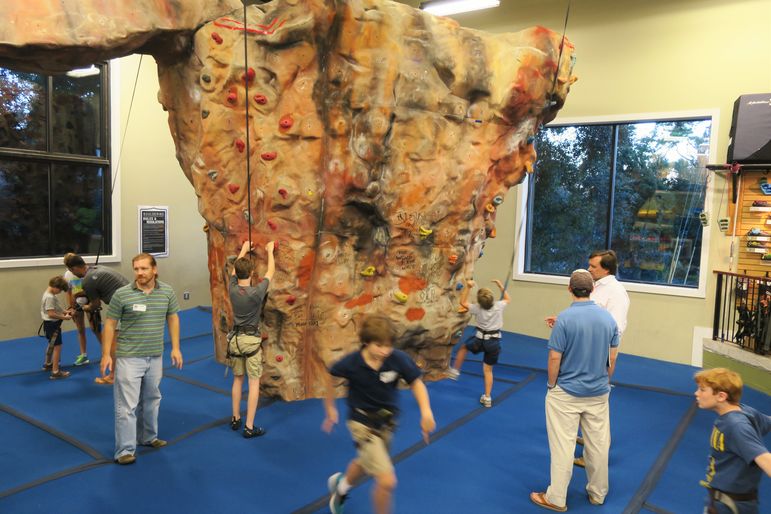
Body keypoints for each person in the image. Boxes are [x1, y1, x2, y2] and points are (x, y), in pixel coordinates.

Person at [322, 315, 436, 514]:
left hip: (387, 422)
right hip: (361, 422)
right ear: (366, 342)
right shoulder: (352, 363)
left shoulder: (397, 359)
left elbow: (416, 383)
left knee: (366, 462)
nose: (385, 351)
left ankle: (341, 487)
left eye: (389, 345)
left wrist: (426, 412)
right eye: (379, 345)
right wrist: (330, 407)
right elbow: (330, 376)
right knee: (387, 481)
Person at [531, 269, 619, 512]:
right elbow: (612, 357)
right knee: (599, 445)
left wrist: (551, 385)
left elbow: (554, 358)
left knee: (563, 446)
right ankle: (598, 494)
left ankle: (557, 498)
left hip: (566, 393)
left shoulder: (565, 319)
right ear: (592, 289)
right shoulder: (608, 319)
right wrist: (605, 380)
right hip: (599, 392)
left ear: (569, 289)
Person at [546, 249, 629, 468]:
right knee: (586, 403)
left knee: (598, 410)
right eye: (589, 265)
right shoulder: (597, 286)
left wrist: (606, 367)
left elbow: (615, 329)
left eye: (593, 266)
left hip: (599, 353)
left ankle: (593, 456)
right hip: (586, 348)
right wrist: (568, 324)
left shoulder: (616, 292)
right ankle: (586, 438)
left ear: (607, 269)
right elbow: (587, 315)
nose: (589, 269)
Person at [100, 253, 183, 465]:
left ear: (154, 269)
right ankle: (125, 450)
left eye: (144, 269)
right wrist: (106, 354)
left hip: (155, 356)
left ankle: (148, 437)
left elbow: (173, 318)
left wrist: (175, 348)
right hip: (129, 357)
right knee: (126, 406)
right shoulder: (122, 294)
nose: (140, 273)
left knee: (152, 399)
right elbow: (110, 324)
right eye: (136, 269)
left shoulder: (167, 291)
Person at [694, 368, 771, 514]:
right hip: (724, 502)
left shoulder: (735, 426)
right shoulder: (744, 411)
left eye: (702, 390)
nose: (696, 393)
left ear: (721, 396)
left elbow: (766, 460)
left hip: (729, 507)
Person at [227, 240, 275, 438]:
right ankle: (249, 426)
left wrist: (245, 249)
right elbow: (270, 272)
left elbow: (233, 271)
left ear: (236, 274)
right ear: (253, 274)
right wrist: (270, 251)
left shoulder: (232, 288)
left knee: (238, 380)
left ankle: (236, 417)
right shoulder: (256, 292)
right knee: (253, 383)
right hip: (251, 340)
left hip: (235, 340)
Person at [447, 279, 510, 408]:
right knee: (488, 371)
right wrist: (501, 286)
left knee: (463, 348)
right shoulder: (499, 306)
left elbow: (463, 302)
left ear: (480, 302)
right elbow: (508, 298)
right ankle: (487, 397)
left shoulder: (476, 308)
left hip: (479, 339)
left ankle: (455, 371)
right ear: (492, 299)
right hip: (494, 341)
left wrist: (468, 287)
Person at [67, 254, 129, 384]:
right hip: (130, 301)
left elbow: (95, 305)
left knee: (111, 339)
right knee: (123, 339)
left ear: (74, 268)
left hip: (124, 305)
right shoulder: (96, 269)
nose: (72, 273)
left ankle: (113, 376)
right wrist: (81, 294)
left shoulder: (88, 280)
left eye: (71, 270)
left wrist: (83, 308)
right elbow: (98, 289)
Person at [63, 253, 98, 367]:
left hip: (90, 302)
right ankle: (83, 355)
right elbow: (68, 292)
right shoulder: (68, 275)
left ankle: (107, 353)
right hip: (76, 305)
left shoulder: (87, 272)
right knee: (80, 329)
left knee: (95, 328)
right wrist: (70, 306)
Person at [40, 276, 74, 380]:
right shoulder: (50, 297)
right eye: (60, 290)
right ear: (56, 287)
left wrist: (65, 311)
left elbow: (55, 308)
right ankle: (55, 371)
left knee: (51, 344)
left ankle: (48, 364)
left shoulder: (47, 294)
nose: (59, 292)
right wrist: (65, 317)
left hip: (48, 324)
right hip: (52, 325)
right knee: (57, 347)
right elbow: (51, 314)